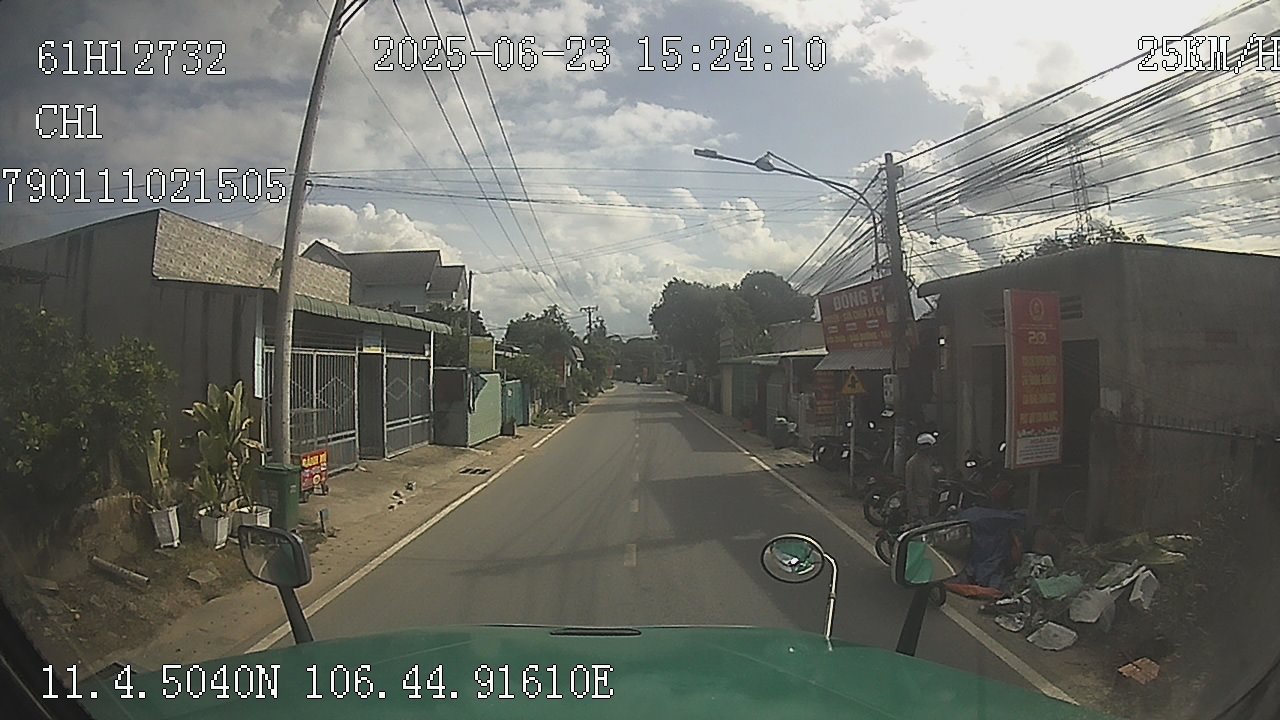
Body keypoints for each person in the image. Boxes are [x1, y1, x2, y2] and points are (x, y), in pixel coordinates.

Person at [903, 432, 940, 522]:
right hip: (919, 504)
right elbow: (909, 488)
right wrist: (913, 509)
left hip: (931, 501)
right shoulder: (912, 463)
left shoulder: (930, 460)